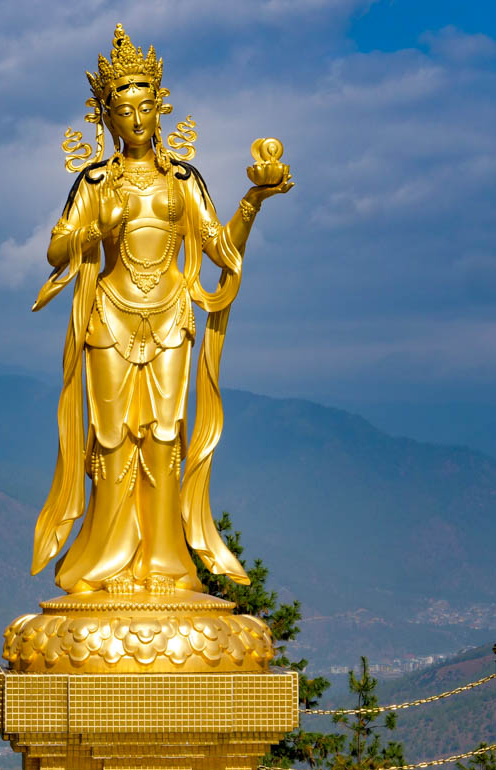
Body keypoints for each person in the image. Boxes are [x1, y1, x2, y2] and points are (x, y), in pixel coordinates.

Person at [31, 23, 292, 596]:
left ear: (161, 110)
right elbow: (56, 248)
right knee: (111, 437)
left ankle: (165, 562)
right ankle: (107, 562)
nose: (137, 119)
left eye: (146, 107)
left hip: (172, 314)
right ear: (106, 116)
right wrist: (97, 228)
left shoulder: (182, 181)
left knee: (165, 436)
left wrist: (254, 200)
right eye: (124, 110)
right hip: (110, 316)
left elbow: (221, 250)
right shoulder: (95, 181)